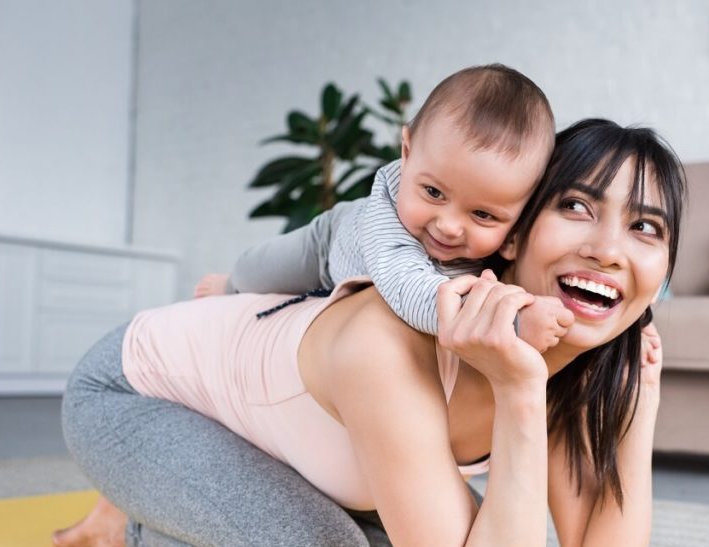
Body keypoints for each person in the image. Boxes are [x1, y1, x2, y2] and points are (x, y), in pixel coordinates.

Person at [53, 118, 685, 547]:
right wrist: (519, 390)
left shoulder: (584, 366)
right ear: (515, 232)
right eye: (577, 207)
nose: (607, 251)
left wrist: (640, 404)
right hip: (135, 394)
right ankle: (128, 523)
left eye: (645, 228)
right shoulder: (390, 338)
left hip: (290, 450)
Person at [195, 63, 572, 352]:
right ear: (407, 153)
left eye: (483, 215)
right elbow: (411, 290)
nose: (449, 226)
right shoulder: (387, 220)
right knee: (261, 270)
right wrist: (516, 323)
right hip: (331, 243)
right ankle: (230, 283)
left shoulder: (505, 242)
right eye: (433, 193)